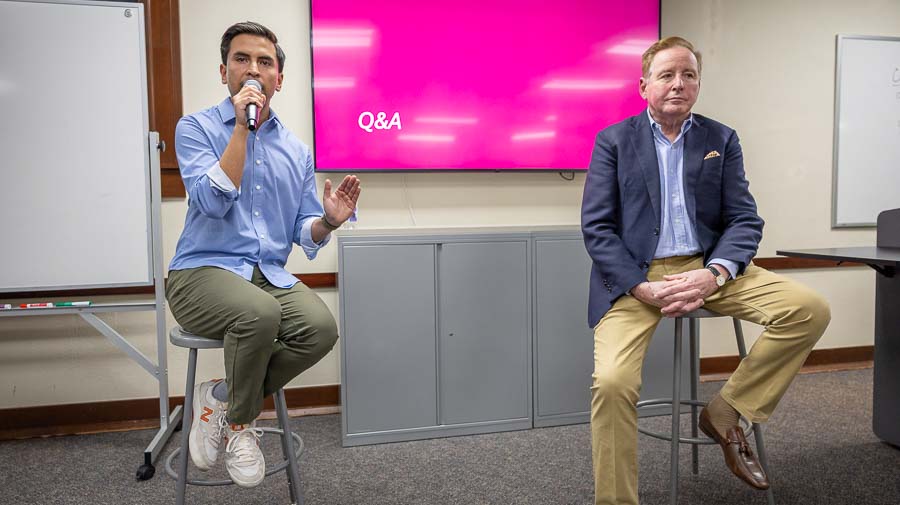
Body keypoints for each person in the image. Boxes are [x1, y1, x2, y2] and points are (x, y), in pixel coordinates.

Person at [580, 36, 830, 504]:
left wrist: (714, 273)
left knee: (809, 309)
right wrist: (641, 287)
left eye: (689, 75)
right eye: (667, 75)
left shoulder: (721, 138)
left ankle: (726, 410)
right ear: (644, 86)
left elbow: (743, 219)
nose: (679, 83)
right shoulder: (613, 141)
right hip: (639, 278)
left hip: (708, 268)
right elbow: (597, 228)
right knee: (612, 383)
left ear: (698, 84)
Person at [166, 21, 361, 488]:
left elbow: (302, 232)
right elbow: (212, 201)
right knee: (259, 314)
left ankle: (221, 399)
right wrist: (240, 127)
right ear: (223, 71)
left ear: (279, 78)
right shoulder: (195, 128)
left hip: (266, 274)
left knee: (319, 329)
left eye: (265, 62)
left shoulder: (296, 150)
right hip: (200, 271)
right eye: (242, 59)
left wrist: (329, 220)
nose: (253, 69)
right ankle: (240, 426)